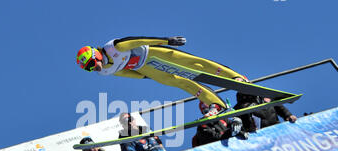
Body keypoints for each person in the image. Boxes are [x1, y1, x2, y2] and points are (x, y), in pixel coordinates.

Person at [76, 36, 249, 110]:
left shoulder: (115, 47)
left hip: (152, 53)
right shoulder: (104, 72)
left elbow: (141, 40)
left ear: (95, 53)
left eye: (92, 62)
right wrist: (147, 76)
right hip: (145, 68)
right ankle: (215, 105)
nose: (94, 67)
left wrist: (167, 40)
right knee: (181, 82)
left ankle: (236, 77)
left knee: (195, 64)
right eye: (89, 68)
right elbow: (125, 73)